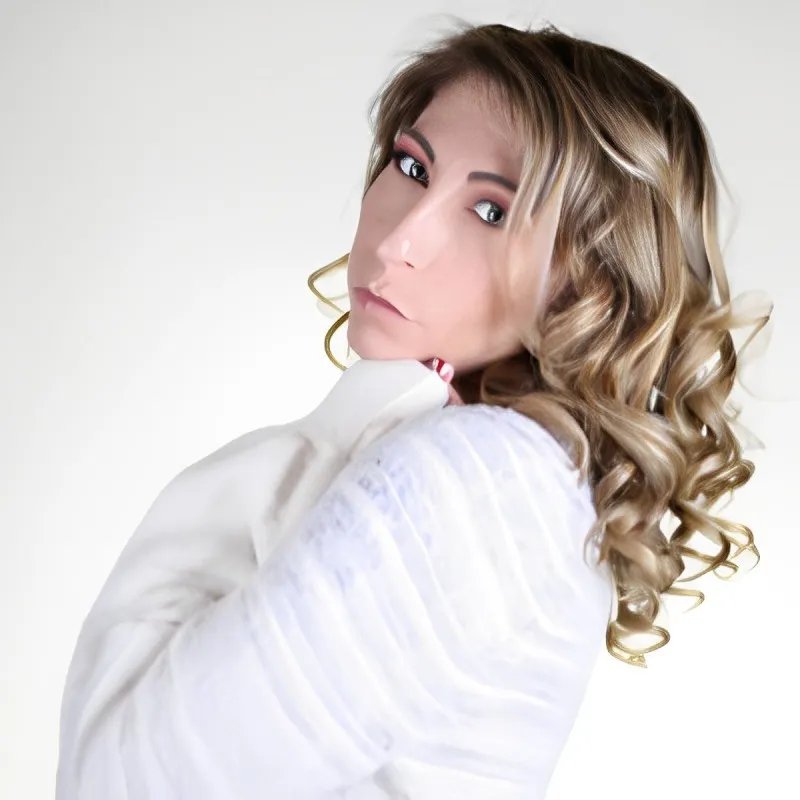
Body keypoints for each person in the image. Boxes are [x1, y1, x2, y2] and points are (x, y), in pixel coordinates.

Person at [55, 19, 770, 799]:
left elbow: (128, 781)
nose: (400, 238)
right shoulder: (509, 471)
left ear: (590, 287)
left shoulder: (483, 483)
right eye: (411, 165)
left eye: (491, 211)